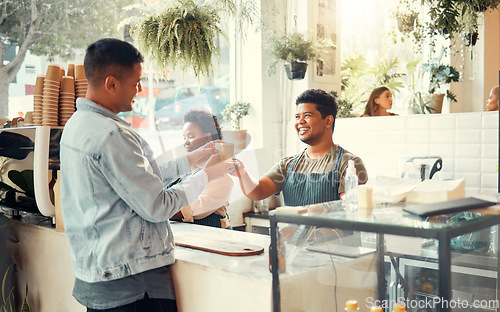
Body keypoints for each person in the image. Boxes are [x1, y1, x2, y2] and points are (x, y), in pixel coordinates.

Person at [59, 38, 237, 312]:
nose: (140, 90)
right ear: (111, 83)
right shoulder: (113, 135)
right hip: (132, 287)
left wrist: (190, 160)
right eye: (136, 82)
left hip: (99, 278)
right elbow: (157, 206)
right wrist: (207, 175)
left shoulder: (77, 125)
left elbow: (135, 177)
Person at [234, 88, 367, 207]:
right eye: (297, 117)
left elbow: (350, 210)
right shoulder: (287, 165)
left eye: (307, 116)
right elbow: (257, 192)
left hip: (332, 236)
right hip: (291, 235)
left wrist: (311, 232)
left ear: (328, 121)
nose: (300, 121)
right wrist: (242, 172)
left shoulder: (349, 163)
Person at [171, 109, 234, 229]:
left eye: (191, 136)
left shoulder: (223, 178)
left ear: (207, 137)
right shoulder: (184, 172)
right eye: (184, 138)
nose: (186, 143)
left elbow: (192, 210)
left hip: (215, 241)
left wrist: (155, 209)